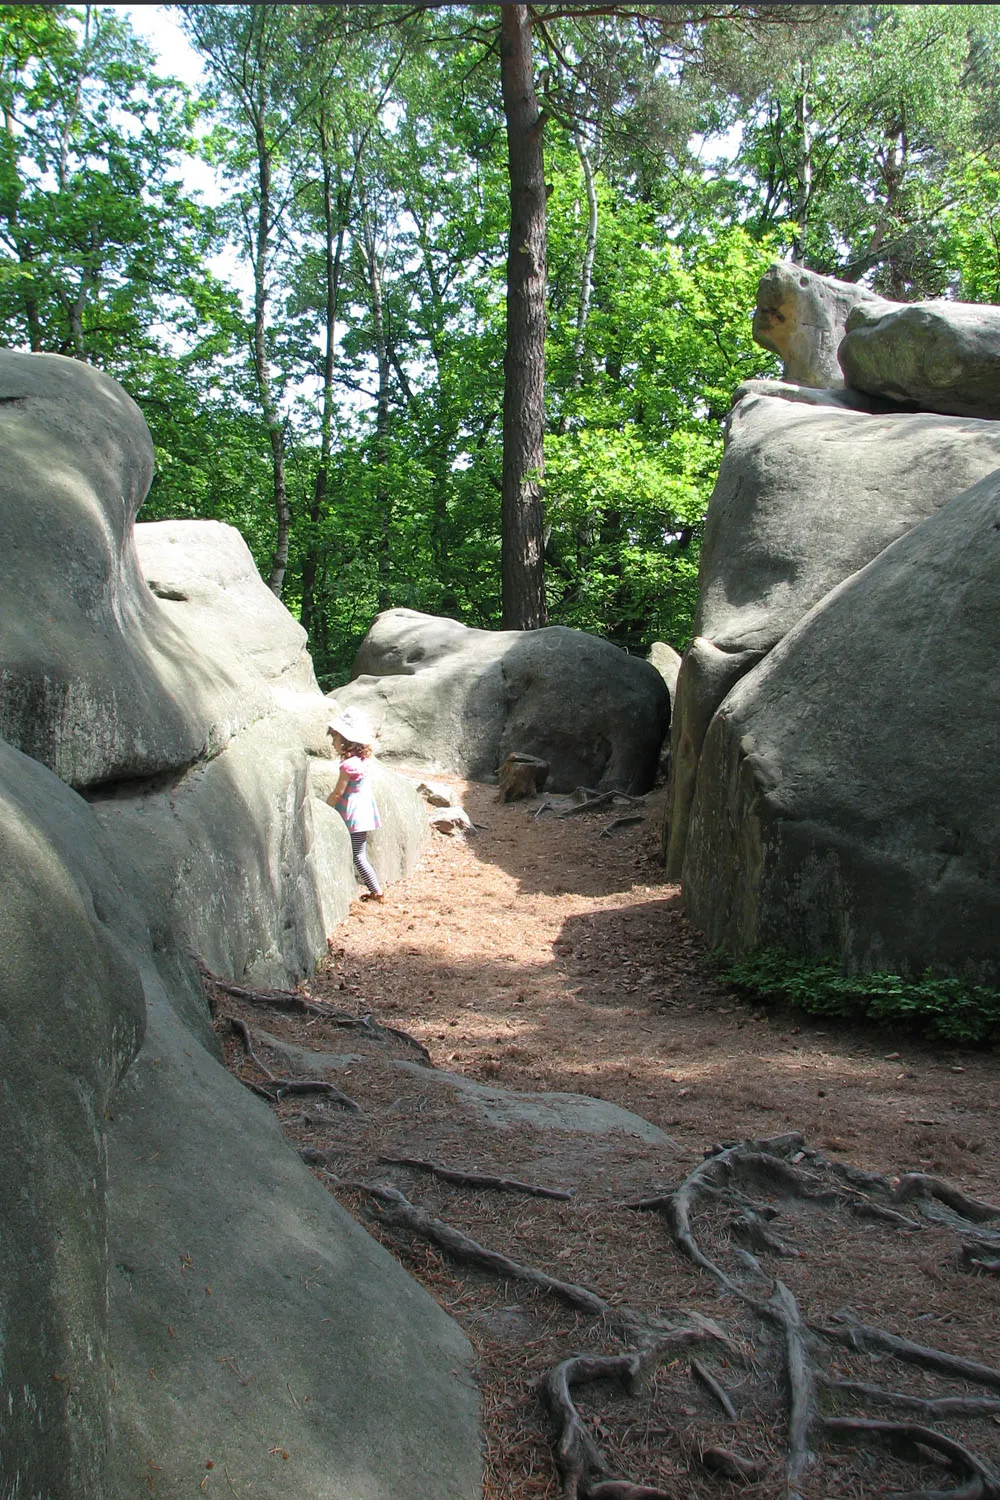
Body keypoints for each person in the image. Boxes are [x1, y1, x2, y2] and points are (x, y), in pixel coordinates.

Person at [326, 705, 384, 903]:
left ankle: (377, 892)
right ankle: (375, 890)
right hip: (364, 812)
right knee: (358, 853)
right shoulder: (363, 761)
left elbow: (338, 792)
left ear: (346, 741)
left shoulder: (348, 766)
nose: (333, 743)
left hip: (352, 814)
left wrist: (326, 807)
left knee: (358, 856)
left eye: (335, 738)